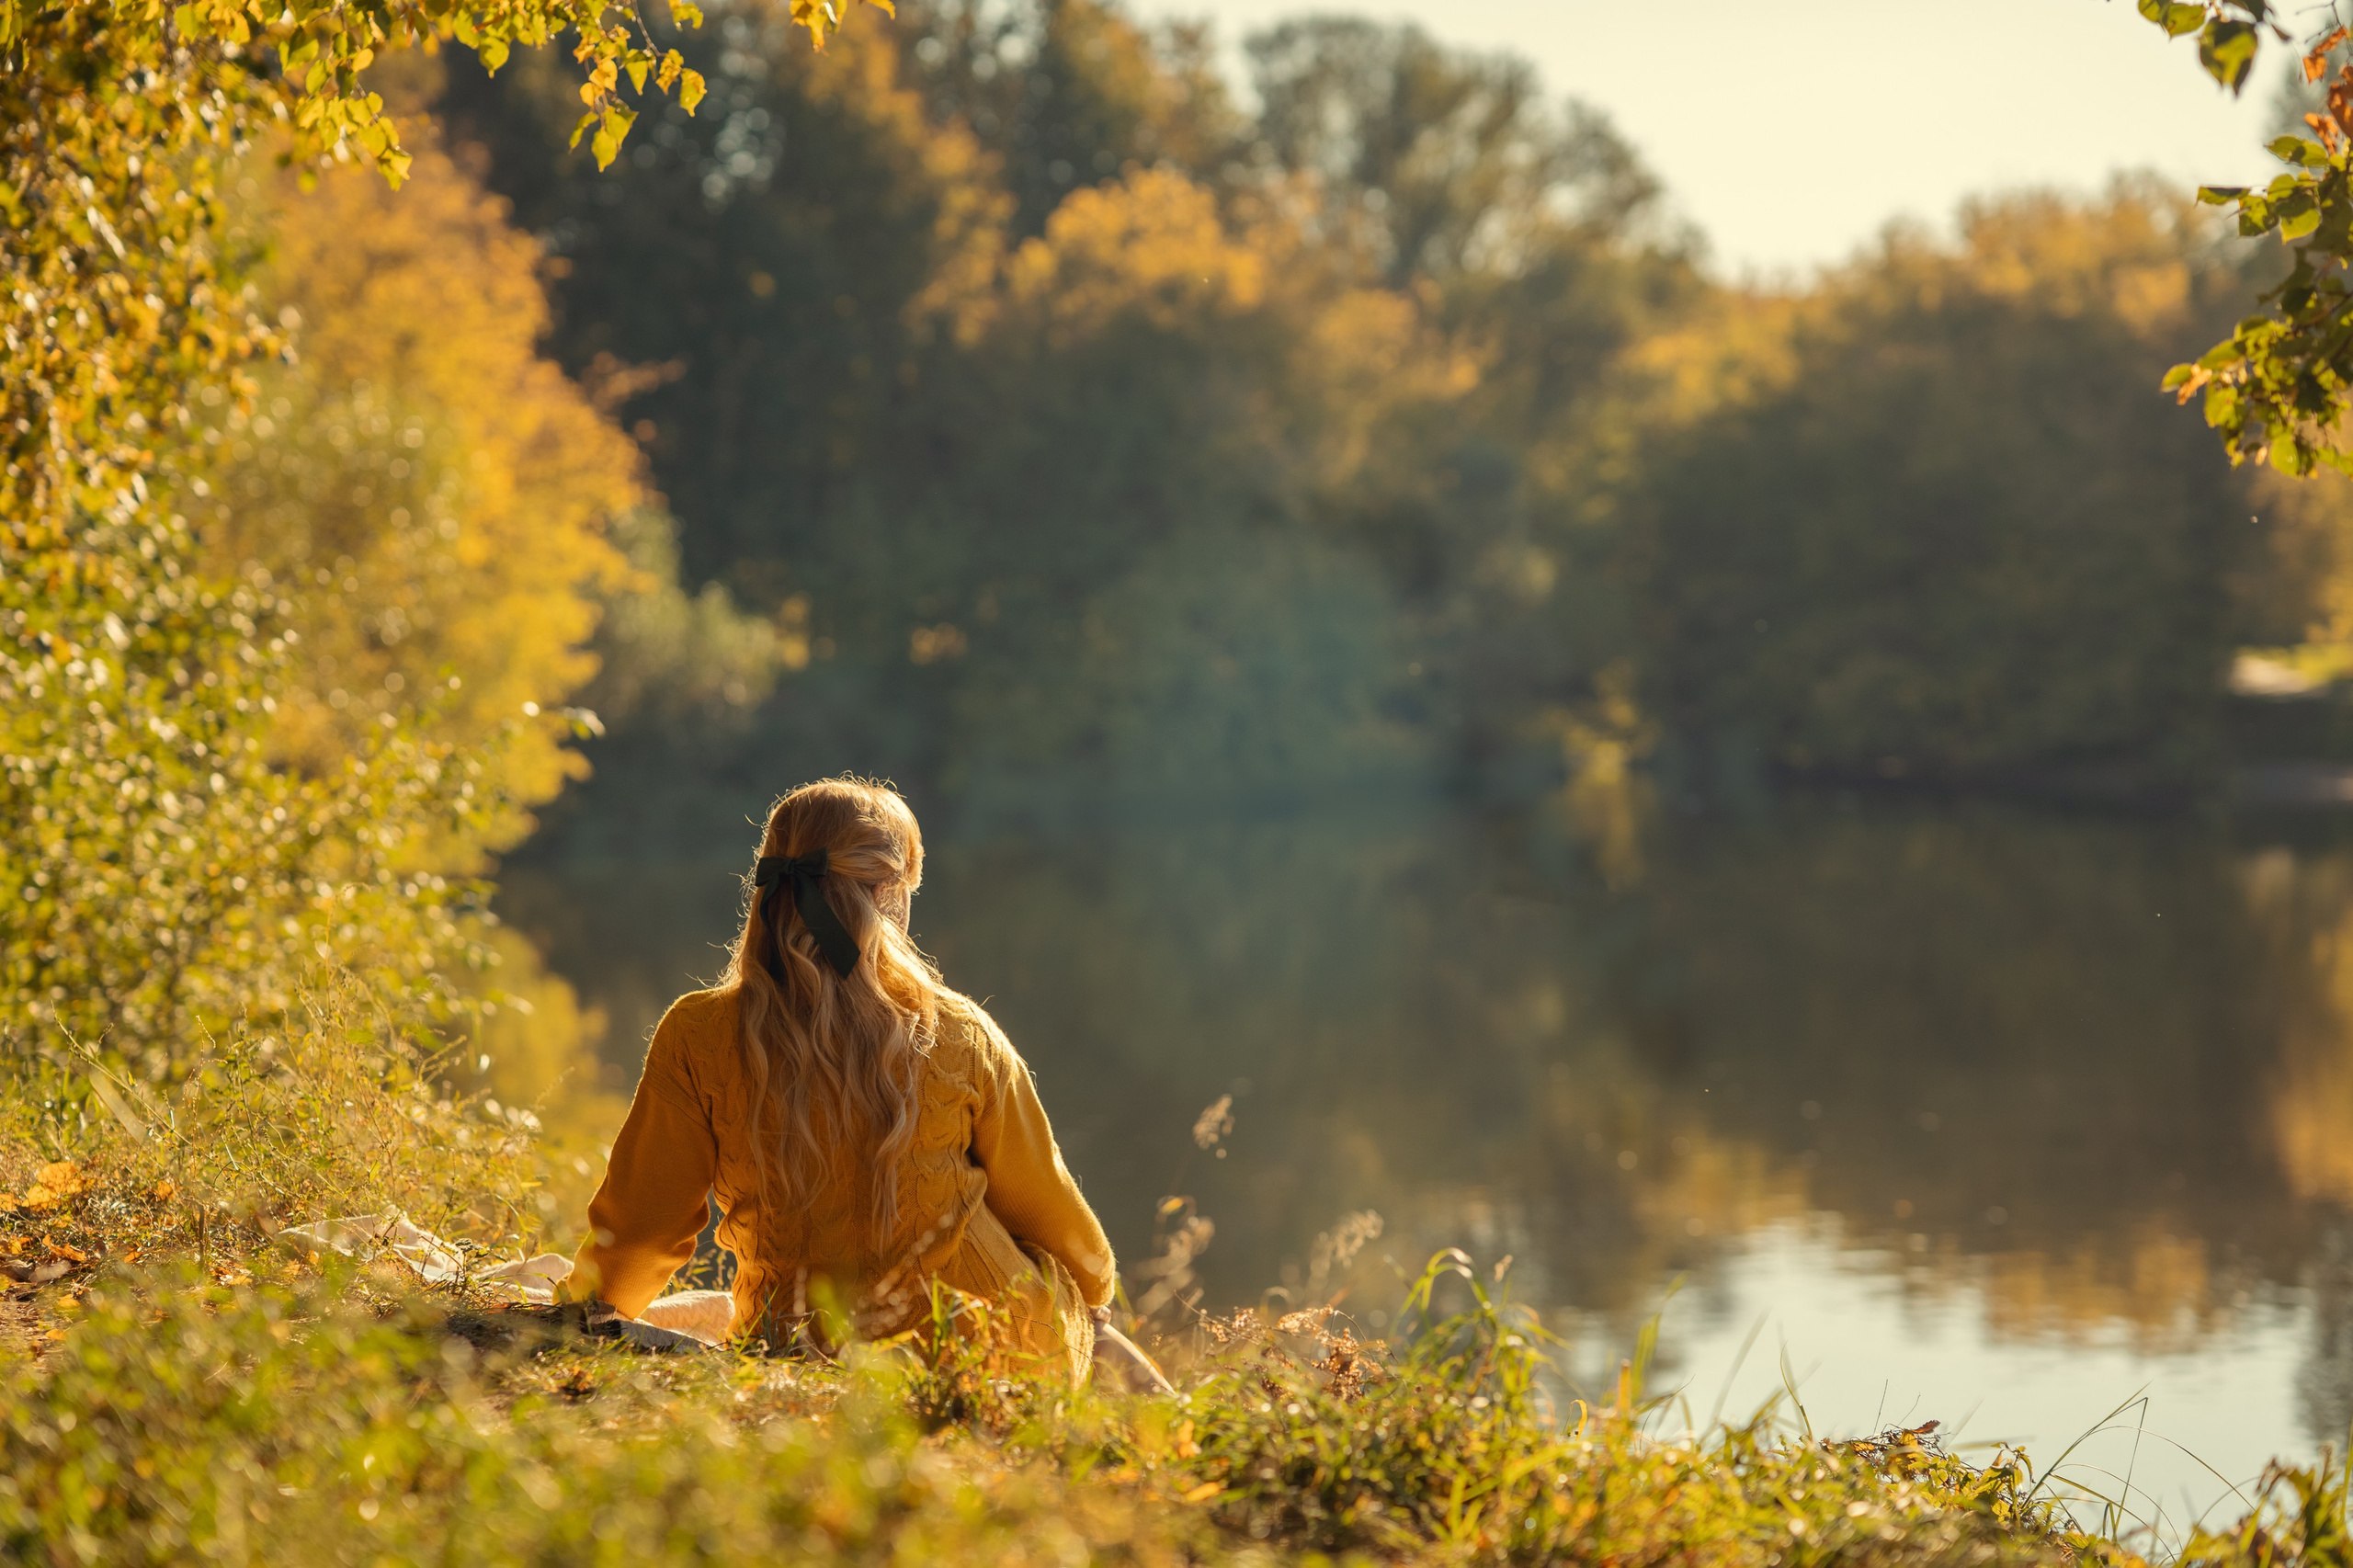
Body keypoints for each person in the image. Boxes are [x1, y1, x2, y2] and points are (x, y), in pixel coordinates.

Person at [563, 777, 1120, 1380]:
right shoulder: (961, 1034)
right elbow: (1046, 1204)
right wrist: (1095, 1291)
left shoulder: (700, 1033)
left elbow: (643, 1230)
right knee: (1048, 1283)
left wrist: (586, 1315)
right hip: (998, 1356)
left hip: (801, 1357)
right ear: (887, 894)